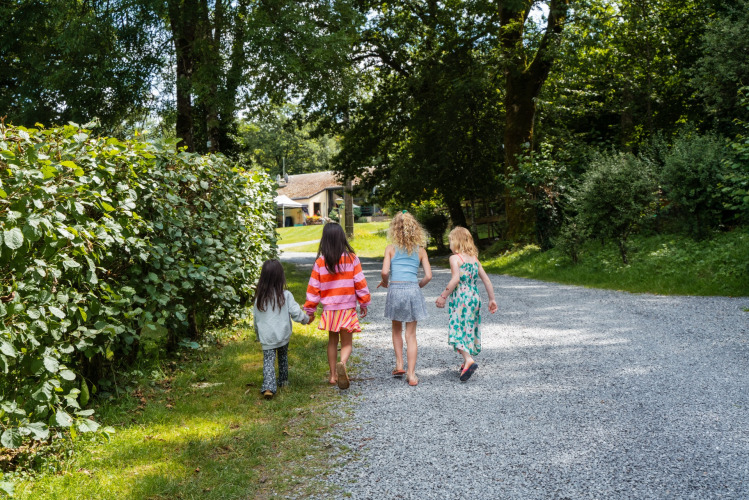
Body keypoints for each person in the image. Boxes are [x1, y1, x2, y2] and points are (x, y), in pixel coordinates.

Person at [304, 223, 371, 389]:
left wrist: (310, 310)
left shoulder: (320, 262)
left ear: (324, 240)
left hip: (330, 311)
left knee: (332, 342)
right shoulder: (352, 259)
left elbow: (313, 287)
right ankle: (343, 363)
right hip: (347, 308)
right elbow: (360, 282)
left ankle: (333, 375)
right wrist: (364, 301)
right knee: (347, 343)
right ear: (342, 238)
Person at [435, 227, 497, 382]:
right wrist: (491, 299)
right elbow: (487, 280)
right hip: (474, 298)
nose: (449, 243)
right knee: (468, 327)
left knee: (457, 328)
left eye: (450, 240)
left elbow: (455, 279)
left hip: (461, 298)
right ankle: (465, 363)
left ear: (456, 241)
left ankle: (468, 360)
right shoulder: (474, 259)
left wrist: (443, 296)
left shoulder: (455, 258)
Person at [377, 211, 432, 386]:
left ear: (394, 229)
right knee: (411, 335)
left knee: (396, 330)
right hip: (412, 290)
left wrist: (385, 282)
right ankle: (412, 374)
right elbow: (428, 276)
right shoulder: (421, 251)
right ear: (415, 229)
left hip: (396, 289)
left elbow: (385, 272)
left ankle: (399, 364)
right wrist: (418, 286)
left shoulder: (390, 249)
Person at [253, 259, 313, 399]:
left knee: (268, 360)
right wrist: (306, 320)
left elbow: (256, 320)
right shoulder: (285, 295)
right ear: (281, 277)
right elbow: (296, 314)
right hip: (283, 335)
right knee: (283, 357)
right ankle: (283, 381)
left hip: (266, 336)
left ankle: (268, 386)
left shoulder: (259, 299)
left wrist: (258, 335)